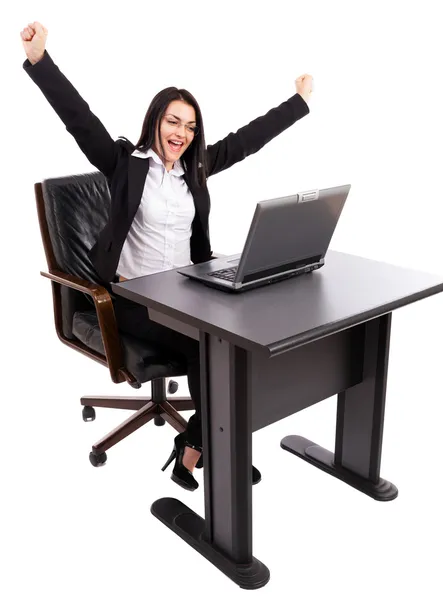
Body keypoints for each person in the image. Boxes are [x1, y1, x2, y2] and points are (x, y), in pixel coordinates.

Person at [21, 21, 314, 492]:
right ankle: (210, 450)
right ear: (155, 120)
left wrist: (298, 103)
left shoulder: (197, 167)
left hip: (188, 292)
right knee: (211, 348)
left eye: (191, 126)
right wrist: (40, 60)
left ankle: (194, 448)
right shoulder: (124, 163)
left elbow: (248, 139)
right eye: (174, 121)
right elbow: (79, 118)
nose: (181, 133)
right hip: (132, 299)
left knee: (235, 343)